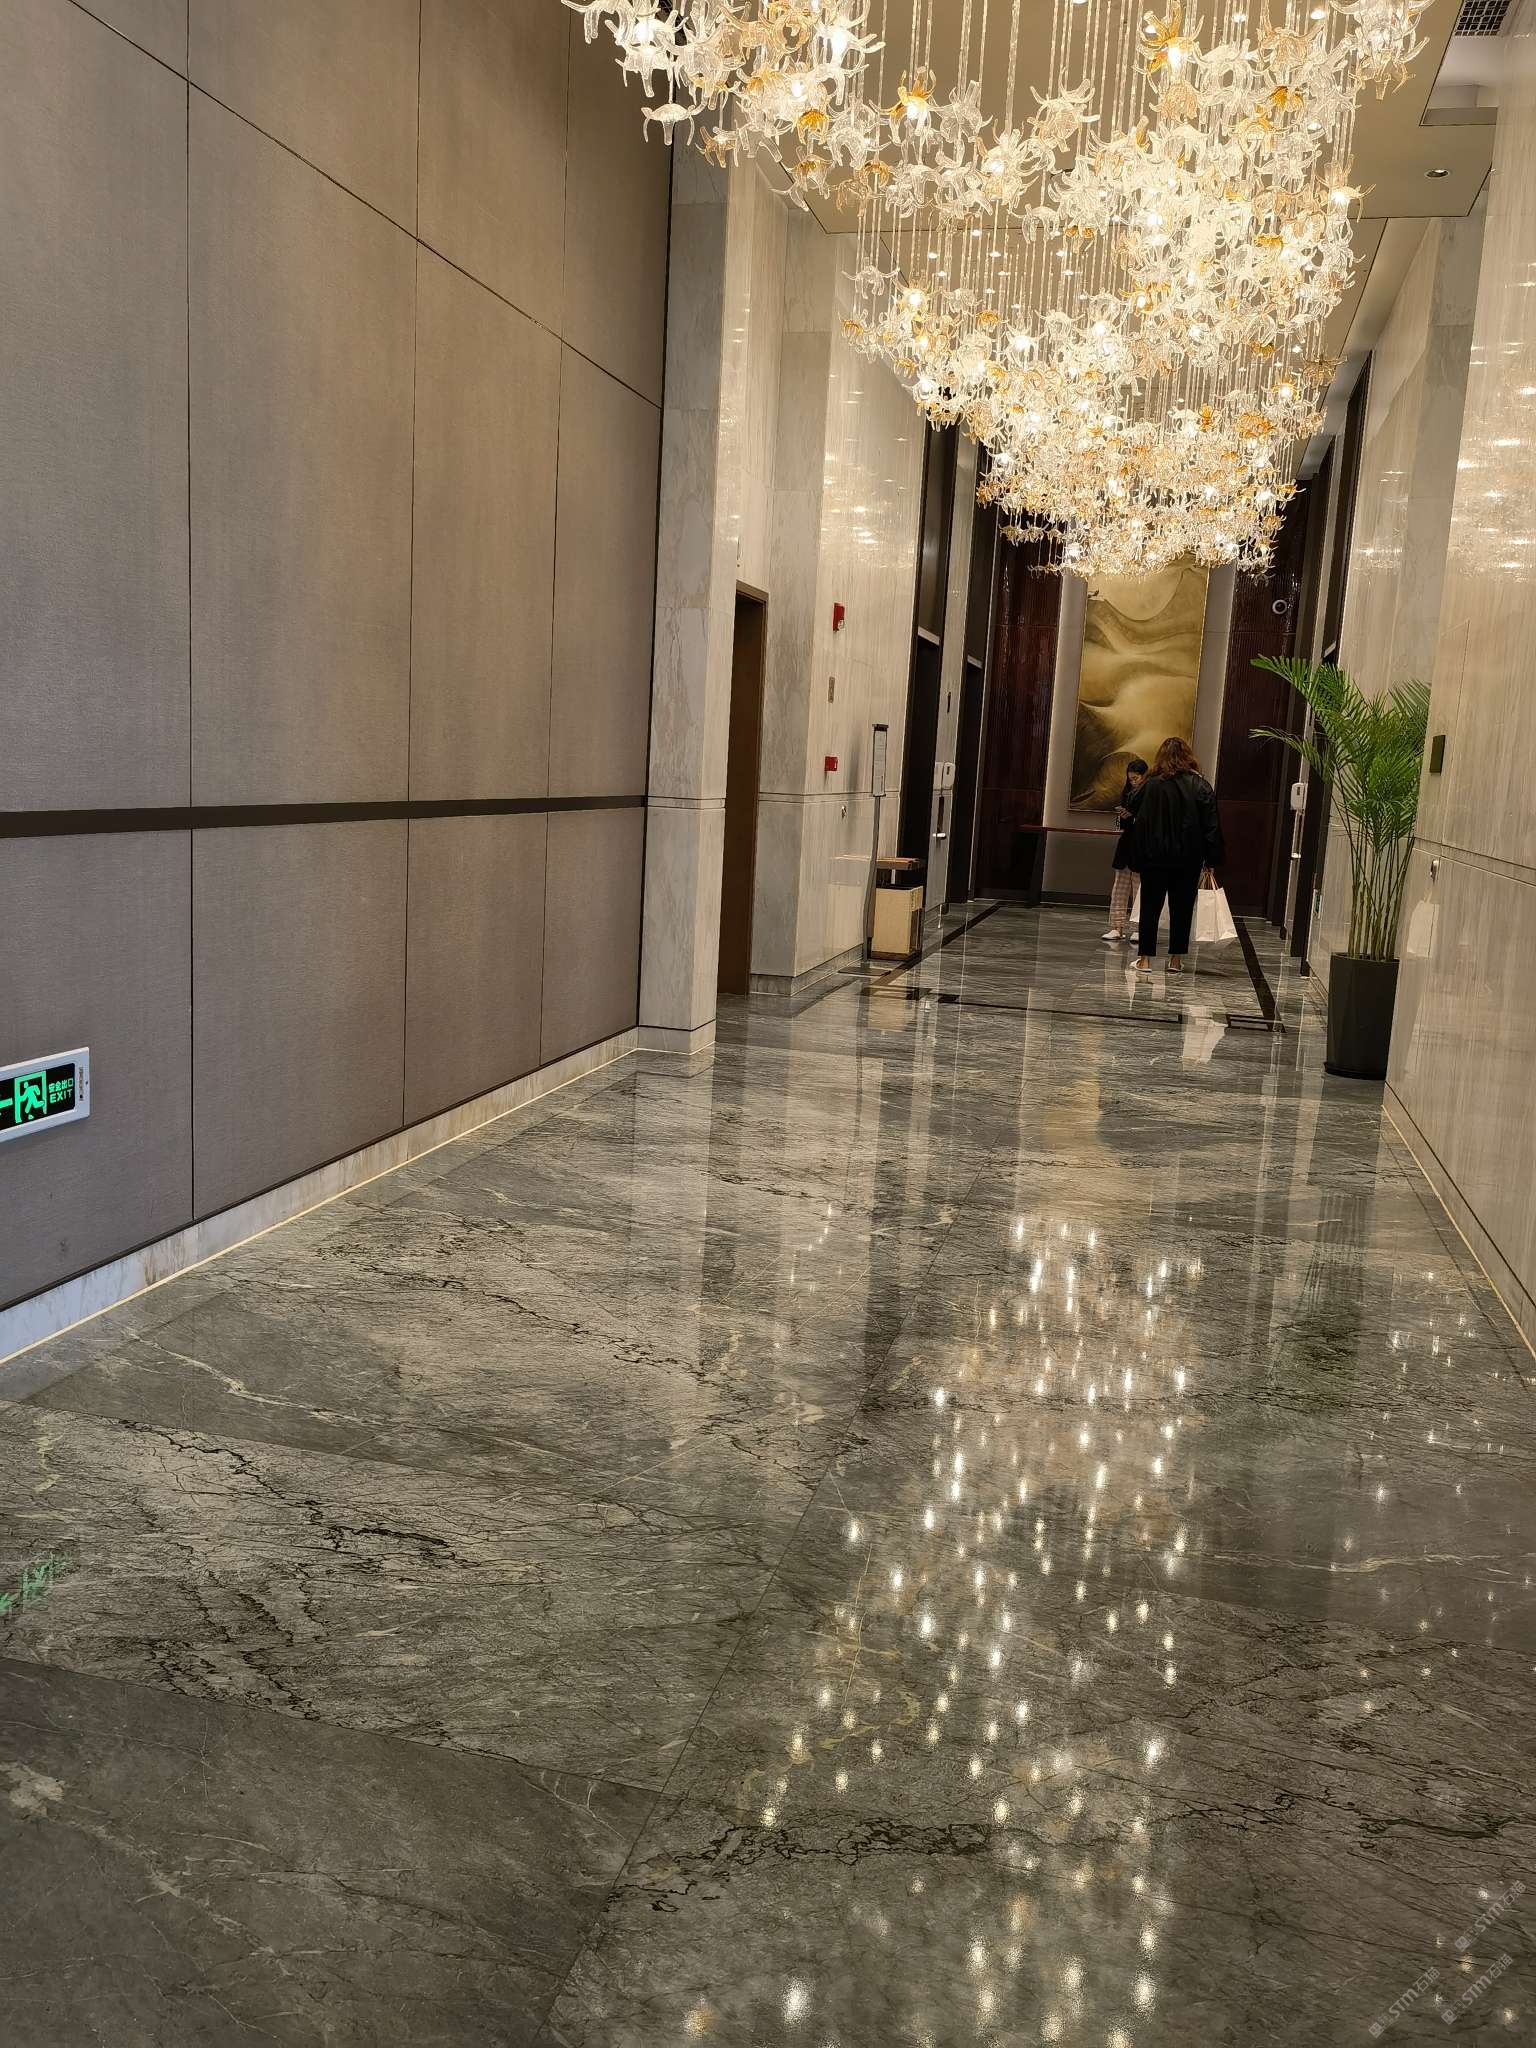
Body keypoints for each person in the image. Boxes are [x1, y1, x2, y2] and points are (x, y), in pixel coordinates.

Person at [1125, 737, 1225, 974]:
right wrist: (1211, 859)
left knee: (1150, 907)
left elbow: (1131, 804)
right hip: (1188, 858)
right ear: (1188, 757)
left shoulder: (1150, 784)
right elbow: (1212, 825)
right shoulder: (1200, 785)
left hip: (1154, 856)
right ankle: (1175, 960)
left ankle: (1145, 960)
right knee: (1182, 908)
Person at [1103, 756, 1148, 942]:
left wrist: (1134, 817)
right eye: (1130, 779)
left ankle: (1139, 929)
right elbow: (1119, 825)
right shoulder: (1127, 793)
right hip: (1126, 845)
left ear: (1144, 776)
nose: (1133, 782)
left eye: (1136, 778)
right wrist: (1123, 816)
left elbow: (1150, 822)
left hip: (1142, 846)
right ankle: (1116, 927)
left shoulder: (1150, 794)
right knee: (1119, 890)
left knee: (1140, 891)